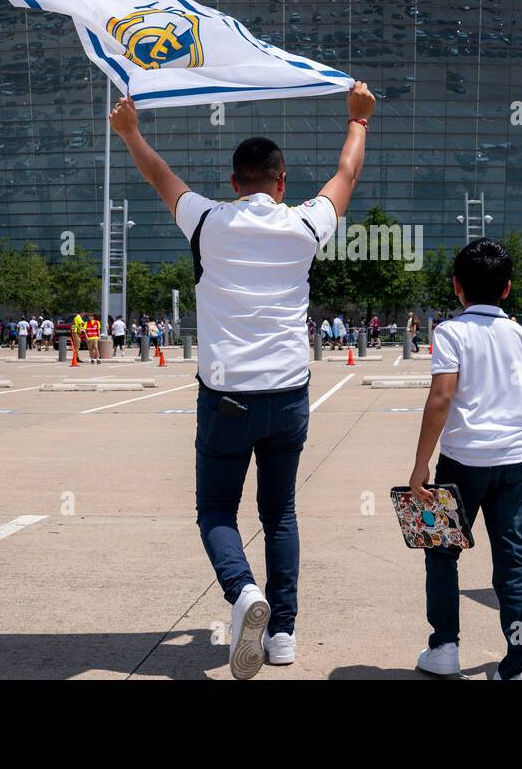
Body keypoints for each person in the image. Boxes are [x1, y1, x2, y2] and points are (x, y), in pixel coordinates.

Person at [109, 79, 373, 680]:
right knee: (279, 514)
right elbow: (346, 177)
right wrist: (357, 119)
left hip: (225, 398)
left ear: (234, 183)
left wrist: (130, 132)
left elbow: (159, 176)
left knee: (216, 513)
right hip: (288, 396)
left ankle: (242, 592)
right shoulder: (306, 225)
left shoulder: (206, 222)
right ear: (282, 183)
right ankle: (282, 633)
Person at [408, 239, 522, 681]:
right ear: (508, 288)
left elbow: (441, 397)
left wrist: (421, 464)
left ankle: (445, 648)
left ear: (457, 287)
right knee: (512, 562)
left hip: (460, 464)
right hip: (514, 464)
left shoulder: (450, 332)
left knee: (442, 553)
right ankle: (518, 662)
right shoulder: (519, 334)